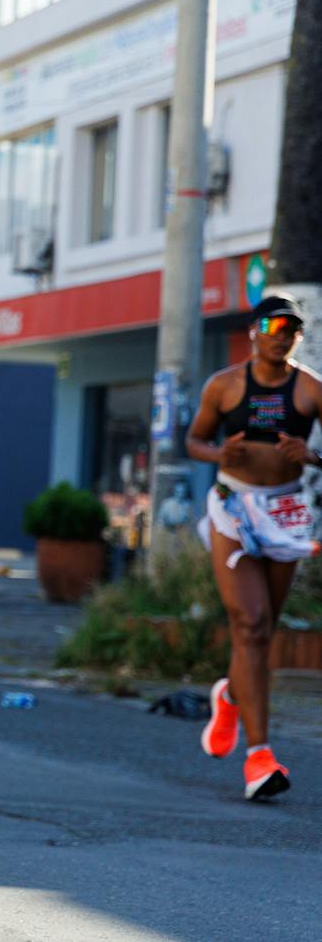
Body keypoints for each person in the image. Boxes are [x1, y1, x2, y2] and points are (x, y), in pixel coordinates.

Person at [186, 293, 322, 801]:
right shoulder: (224, 386)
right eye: (273, 325)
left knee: (262, 633)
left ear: (297, 337)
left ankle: (230, 697)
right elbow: (193, 441)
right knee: (251, 622)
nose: (282, 334)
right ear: (254, 331)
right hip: (234, 507)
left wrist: (310, 456)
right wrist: (219, 451)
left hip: (286, 511)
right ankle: (259, 758)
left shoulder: (310, 389)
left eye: (291, 328)